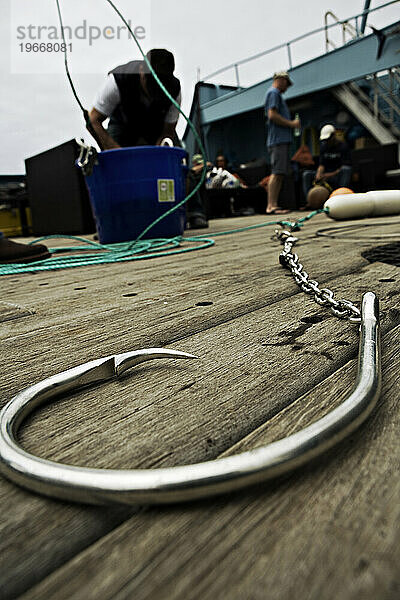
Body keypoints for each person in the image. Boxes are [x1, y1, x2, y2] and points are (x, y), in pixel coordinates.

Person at [89, 49, 181, 149]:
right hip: (122, 126)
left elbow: (168, 131)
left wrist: (158, 152)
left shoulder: (174, 90)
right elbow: (93, 120)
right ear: (141, 71)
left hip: (155, 127)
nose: (154, 92)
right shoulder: (117, 80)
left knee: (176, 153)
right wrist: (117, 152)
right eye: (151, 84)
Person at [265, 71, 300, 215]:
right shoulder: (273, 93)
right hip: (278, 140)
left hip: (281, 140)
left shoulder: (275, 94)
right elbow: (272, 115)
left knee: (279, 173)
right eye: (286, 83)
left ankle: (274, 204)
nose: (287, 88)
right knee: (277, 173)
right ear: (281, 80)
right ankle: (271, 205)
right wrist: (292, 124)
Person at [302, 124, 352, 199]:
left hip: (337, 175)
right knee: (306, 174)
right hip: (325, 175)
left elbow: (343, 167)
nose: (327, 142)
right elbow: (322, 164)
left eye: (328, 139)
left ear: (333, 135)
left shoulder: (343, 147)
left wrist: (328, 175)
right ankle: (310, 200)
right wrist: (319, 174)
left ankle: (342, 197)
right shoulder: (324, 147)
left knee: (346, 170)